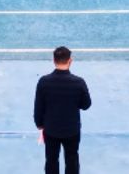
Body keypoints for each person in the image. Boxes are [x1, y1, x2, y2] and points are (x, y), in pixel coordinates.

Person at [34, 46, 92, 174]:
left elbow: (39, 106)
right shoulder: (79, 82)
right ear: (70, 61)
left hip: (51, 130)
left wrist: (39, 124)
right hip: (72, 130)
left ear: (54, 60)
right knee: (72, 160)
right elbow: (86, 105)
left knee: (51, 160)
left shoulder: (44, 82)